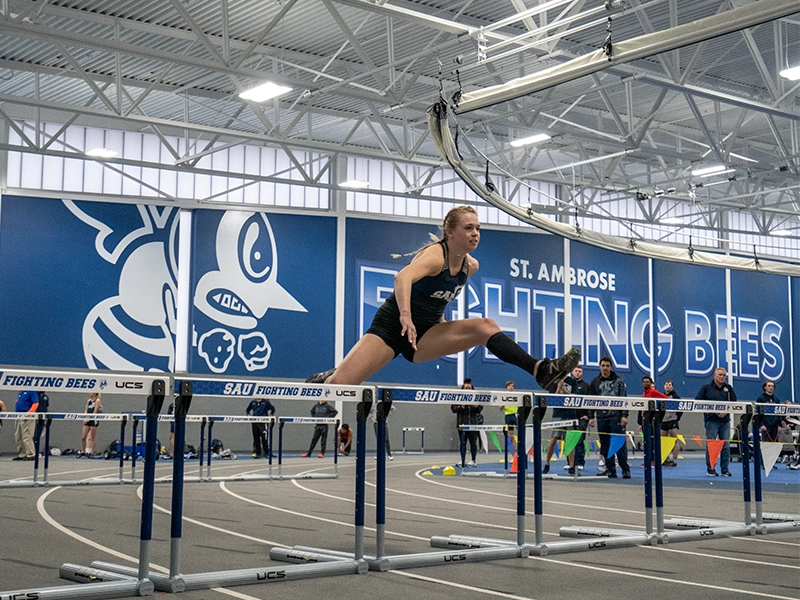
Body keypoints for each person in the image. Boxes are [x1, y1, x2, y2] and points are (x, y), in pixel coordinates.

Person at [306, 206, 581, 393]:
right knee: (340, 386)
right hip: (392, 328)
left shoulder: (470, 266)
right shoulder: (436, 255)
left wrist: (441, 325)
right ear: (450, 232)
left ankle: (541, 370)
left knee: (484, 326)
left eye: (478, 228)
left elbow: (439, 297)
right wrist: (405, 315)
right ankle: (332, 374)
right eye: (468, 228)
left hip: (424, 336)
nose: (475, 233)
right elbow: (402, 278)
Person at [590, 357, 630, 479]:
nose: (605, 368)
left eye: (607, 365)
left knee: (619, 444)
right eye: (603, 365)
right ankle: (610, 470)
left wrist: (624, 415)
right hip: (602, 418)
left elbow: (624, 399)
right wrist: (591, 416)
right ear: (599, 366)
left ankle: (625, 470)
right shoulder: (595, 382)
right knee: (605, 445)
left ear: (611, 367)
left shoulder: (619, 381)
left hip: (616, 417)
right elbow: (591, 401)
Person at [695, 367, 735, 477]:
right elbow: (697, 402)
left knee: (726, 445)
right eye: (720, 375)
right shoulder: (706, 388)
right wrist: (709, 410)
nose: (722, 377)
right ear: (715, 376)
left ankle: (725, 469)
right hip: (711, 421)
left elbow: (734, 404)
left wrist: (726, 412)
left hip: (725, 421)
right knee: (711, 445)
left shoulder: (728, 389)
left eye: (724, 375)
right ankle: (711, 468)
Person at [542, 378, 577, 475]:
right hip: (558, 414)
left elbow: (575, 396)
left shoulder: (572, 381)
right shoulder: (553, 381)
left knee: (569, 441)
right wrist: (558, 387)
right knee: (553, 440)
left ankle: (571, 466)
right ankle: (547, 464)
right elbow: (552, 399)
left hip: (570, 414)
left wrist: (564, 390)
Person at [567, 366, 593, 471]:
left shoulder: (586, 386)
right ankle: (571, 463)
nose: (578, 373)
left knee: (580, 440)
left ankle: (580, 462)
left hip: (583, 417)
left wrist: (589, 416)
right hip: (570, 416)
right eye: (576, 371)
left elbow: (590, 401)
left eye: (580, 371)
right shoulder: (568, 385)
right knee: (570, 440)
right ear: (572, 372)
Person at [452, 379, 483, 467]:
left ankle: (473, 460)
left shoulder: (476, 396)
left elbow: (480, 409)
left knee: (473, 443)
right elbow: (453, 410)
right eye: (466, 387)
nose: (468, 389)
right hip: (461, 423)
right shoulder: (457, 396)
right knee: (463, 443)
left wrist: (476, 407)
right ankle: (462, 460)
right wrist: (461, 406)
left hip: (473, 424)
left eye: (469, 387)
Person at [660, 379, 682, 466]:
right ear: (664, 386)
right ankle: (665, 458)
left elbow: (681, 408)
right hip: (663, 421)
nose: (668, 386)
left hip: (672, 420)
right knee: (663, 440)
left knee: (674, 440)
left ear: (672, 387)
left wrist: (677, 418)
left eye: (669, 385)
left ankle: (674, 458)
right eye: (666, 384)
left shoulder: (676, 397)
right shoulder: (661, 396)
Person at [14, 390, 39, 461]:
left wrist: (28, 414)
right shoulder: (20, 392)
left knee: (27, 435)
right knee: (18, 436)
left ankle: (31, 454)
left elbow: (35, 403)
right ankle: (22, 453)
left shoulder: (31, 391)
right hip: (18, 416)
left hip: (27, 416)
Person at [79, 392, 102, 457]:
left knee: (92, 437)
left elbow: (95, 411)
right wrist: (85, 417)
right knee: (83, 437)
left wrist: (90, 419)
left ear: (94, 393)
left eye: (91, 392)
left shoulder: (97, 400)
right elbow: (86, 410)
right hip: (87, 419)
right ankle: (84, 451)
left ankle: (91, 452)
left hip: (94, 419)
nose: (89, 393)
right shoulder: (89, 401)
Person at [502, 380, 519, 455]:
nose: (511, 387)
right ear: (506, 387)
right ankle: (514, 455)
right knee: (511, 437)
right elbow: (500, 408)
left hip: (515, 415)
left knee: (522, 434)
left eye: (512, 386)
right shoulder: (503, 396)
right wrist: (504, 402)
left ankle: (527, 453)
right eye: (509, 386)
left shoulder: (517, 396)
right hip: (508, 416)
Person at [34, 390, 50, 455]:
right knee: (33, 435)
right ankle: (34, 451)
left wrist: (47, 417)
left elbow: (46, 408)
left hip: (42, 418)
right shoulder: (35, 396)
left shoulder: (46, 397)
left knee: (38, 435)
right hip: (35, 417)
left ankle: (37, 451)